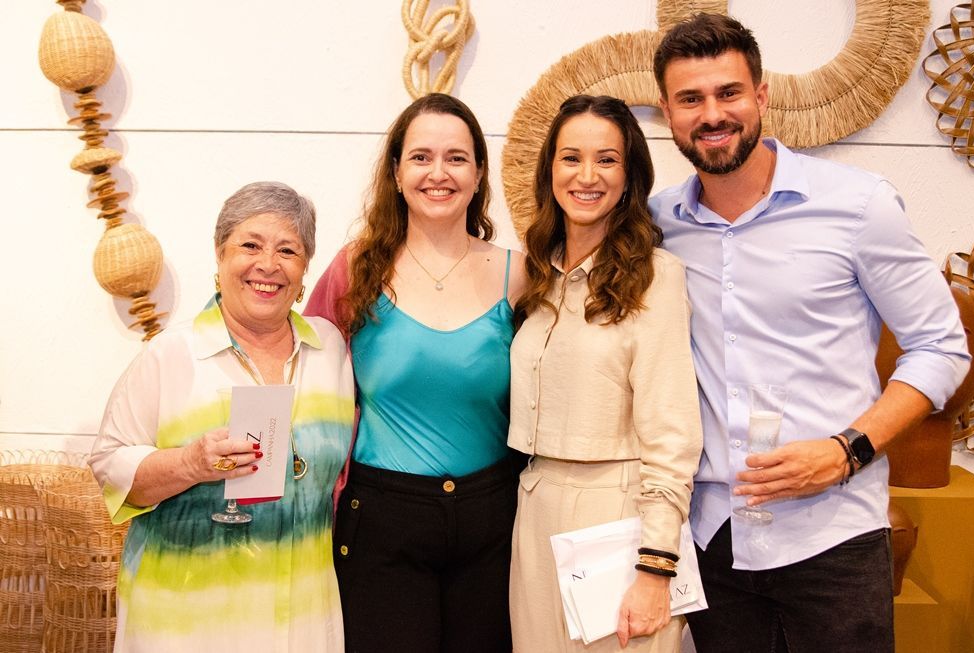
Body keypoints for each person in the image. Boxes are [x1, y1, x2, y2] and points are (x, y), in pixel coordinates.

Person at [649, 13, 972, 653]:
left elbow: (941, 347)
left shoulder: (858, 205)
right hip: (714, 537)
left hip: (833, 537)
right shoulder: (658, 225)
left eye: (728, 92)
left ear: (762, 95)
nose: (712, 114)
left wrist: (847, 449)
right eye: (690, 99)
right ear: (667, 113)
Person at [89, 181, 354, 652]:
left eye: (287, 250)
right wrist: (189, 463)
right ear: (219, 254)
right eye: (250, 245)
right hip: (188, 621)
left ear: (305, 268)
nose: (268, 265)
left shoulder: (329, 349)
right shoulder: (172, 354)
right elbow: (110, 468)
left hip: (302, 616)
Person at [304, 92, 526, 653]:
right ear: (397, 172)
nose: (438, 173)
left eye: (457, 158)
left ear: (479, 174)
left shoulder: (520, 275)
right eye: (421, 157)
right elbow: (300, 375)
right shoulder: (356, 269)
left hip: (493, 520)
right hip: (382, 520)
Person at [508, 94, 703, 652]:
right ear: (550, 170)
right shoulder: (538, 273)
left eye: (607, 160)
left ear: (630, 175)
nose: (587, 176)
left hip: (619, 515)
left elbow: (672, 433)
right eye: (571, 158)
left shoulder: (656, 277)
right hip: (535, 505)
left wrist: (656, 566)